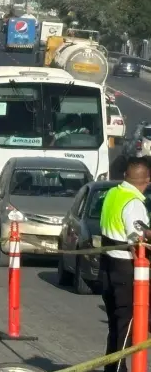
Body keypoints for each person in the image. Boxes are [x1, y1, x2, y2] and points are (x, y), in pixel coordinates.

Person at [100, 157, 151, 372]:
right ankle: (119, 368)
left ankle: (112, 368)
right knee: (127, 325)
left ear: (125, 177)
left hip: (107, 265)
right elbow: (139, 239)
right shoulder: (134, 203)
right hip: (125, 270)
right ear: (147, 180)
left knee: (115, 324)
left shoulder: (114, 193)